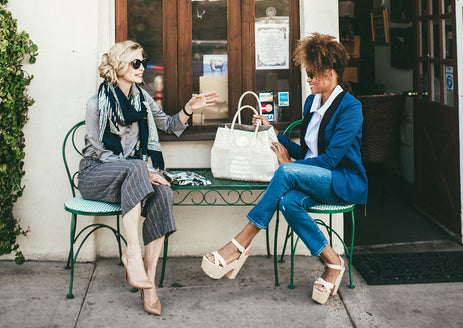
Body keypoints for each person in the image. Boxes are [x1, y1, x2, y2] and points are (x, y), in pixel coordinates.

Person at [201, 33, 367, 305]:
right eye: (307, 71)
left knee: (285, 172)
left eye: (313, 72)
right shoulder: (312, 103)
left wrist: (290, 166)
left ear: (331, 72)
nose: (308, 78)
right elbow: (308, 152)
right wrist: (273, 134)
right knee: (289, 202)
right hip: (315, 179)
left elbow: (330, 160)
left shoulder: (351, 108)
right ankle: (333, 263)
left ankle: (240, 245)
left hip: (342, 182)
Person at [79, 40, 218, 315]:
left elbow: (168, 125)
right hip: (96, 175)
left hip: (132, 177)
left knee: (164, 193)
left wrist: (189, 108)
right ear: (118, 65)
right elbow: (99, 152)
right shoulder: (96, 104)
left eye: (143, 62)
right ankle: (133, 253)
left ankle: (149, 284)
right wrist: (144, 171)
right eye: (135, 63)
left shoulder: (143, 99)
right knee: (135, 167)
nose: (142, 68)